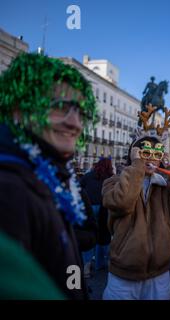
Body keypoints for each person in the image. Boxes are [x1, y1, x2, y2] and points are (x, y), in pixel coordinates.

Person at [0, 53, 98, 299]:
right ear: (18, 107)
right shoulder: (8, 188)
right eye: (60, 106)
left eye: (80, 111)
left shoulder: (49, 178)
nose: (75, 123)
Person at [102, 106, 170, 300]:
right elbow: (122, 202)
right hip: (124, 274)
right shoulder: (112, 182)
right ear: (134, 153)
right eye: (145, 152)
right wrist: (136, 165)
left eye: (157, 153)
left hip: (159, 274)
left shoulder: (163, 185)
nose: (152, 158)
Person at [80, 157, 114, 276]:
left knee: (89, 235)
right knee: (103, 236)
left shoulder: (88, 175)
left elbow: (79, 187)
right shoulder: (111, 177)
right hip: (104, 208)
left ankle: (86, 268)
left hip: (89, 207)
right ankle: (100, 264)